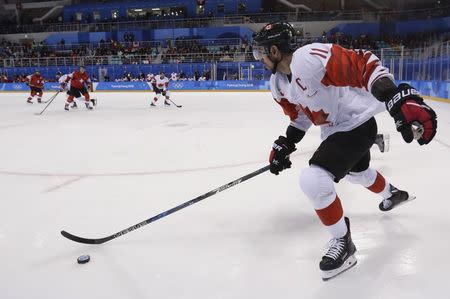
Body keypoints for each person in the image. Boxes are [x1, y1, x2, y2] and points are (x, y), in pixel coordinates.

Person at [252, 22, 437, 280]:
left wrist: (393, 98)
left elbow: (362, 63)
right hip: (336, 130)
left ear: (274, 51)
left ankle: (343, 242)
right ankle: (393, 193)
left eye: (259, 52)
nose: (258, 58)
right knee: (357, 173)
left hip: (356, 123)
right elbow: (301, 118)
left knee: (313, 179)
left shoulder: (308, 59)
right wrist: (286, 143)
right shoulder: (279, 85)